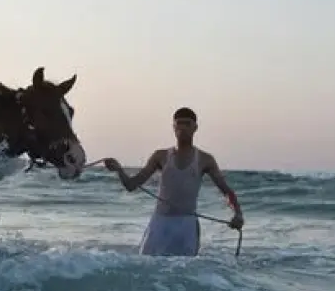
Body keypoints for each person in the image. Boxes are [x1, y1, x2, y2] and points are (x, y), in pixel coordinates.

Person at [101, 107, 244, 256]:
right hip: (160, 222)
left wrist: (238, 214)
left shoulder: (205, 159)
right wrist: (119, 170)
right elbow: (131, 185)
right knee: (147, 266)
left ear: (195, 127)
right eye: (179, 124)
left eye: (187, 124)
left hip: (186, 225)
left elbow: (227, 191)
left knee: (184, 271)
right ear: (173, 127)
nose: (182, 128)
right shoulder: (160, 156)